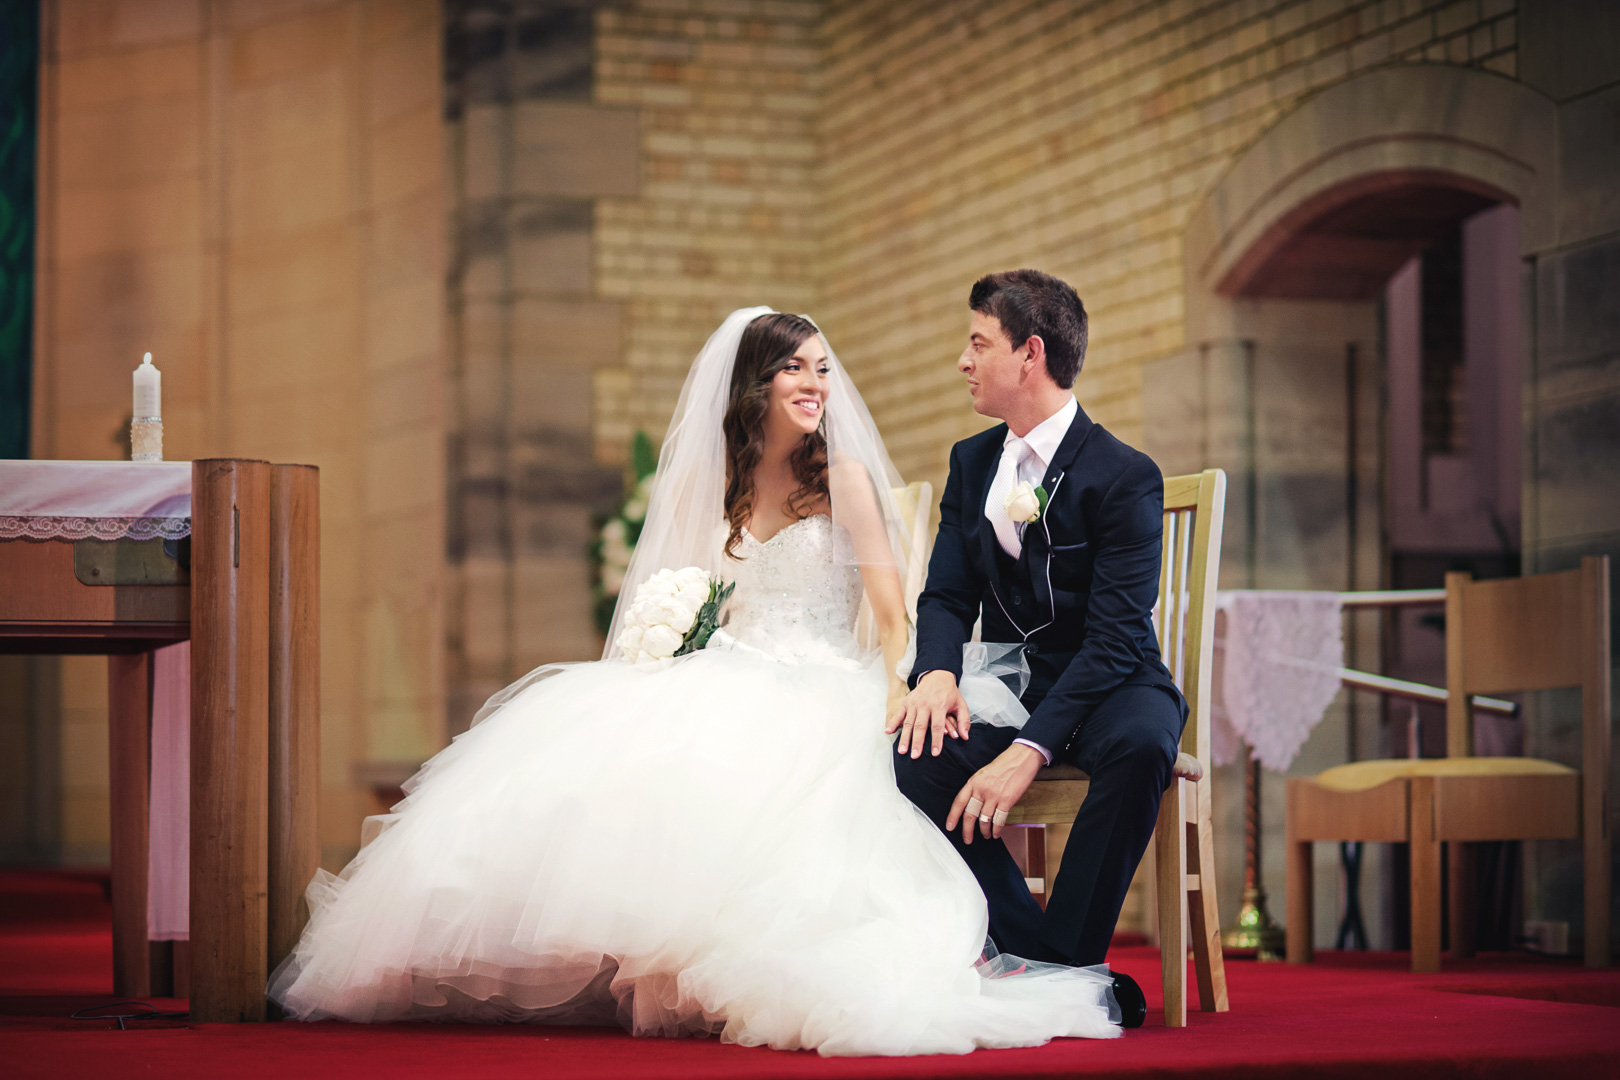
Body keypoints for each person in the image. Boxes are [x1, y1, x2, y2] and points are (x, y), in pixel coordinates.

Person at [269, 308, 1121, 1056]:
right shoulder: (722, 484)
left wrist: (901, 684)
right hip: (729, 667)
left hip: (826, 676)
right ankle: (619, 957)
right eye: (794, 368)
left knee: (766, 780)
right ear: (755, 383)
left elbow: (896, 616)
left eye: (823, 369)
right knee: (608, 752)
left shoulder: (845, 481)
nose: (815, 384)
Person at [889, 270, 1187, 1027]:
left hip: (1113, 684)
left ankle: (1055, 962)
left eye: (978, 342)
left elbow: (1115, 638)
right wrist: (935, 675)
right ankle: (1054, 967)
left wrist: (1029, 749)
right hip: (1013, 682)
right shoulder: (970, 463)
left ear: (1030, 354)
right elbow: (946, 595)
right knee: (915, 753)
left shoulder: (1125, 476)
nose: (963, 360)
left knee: (1144, 743)